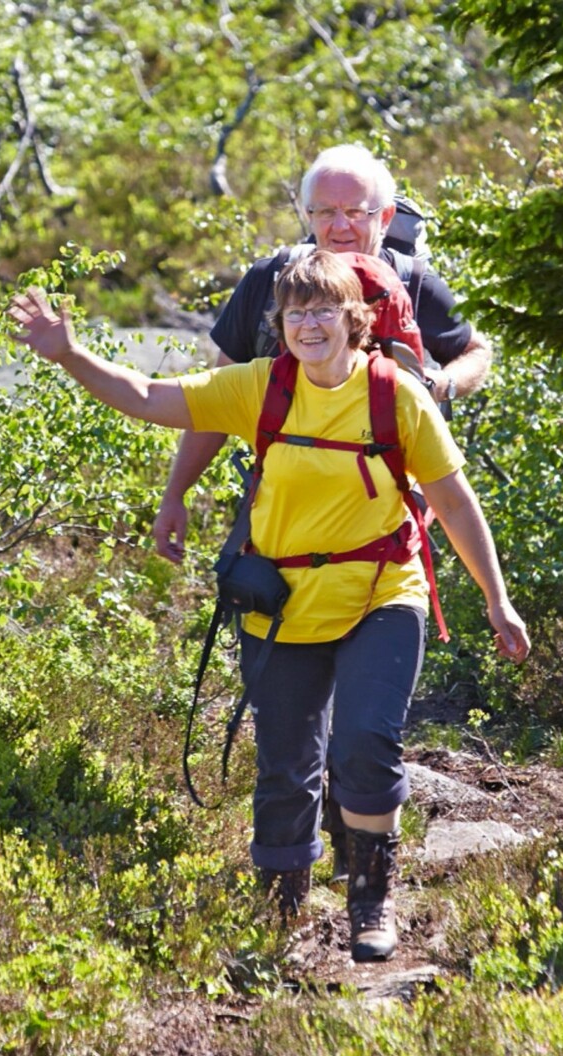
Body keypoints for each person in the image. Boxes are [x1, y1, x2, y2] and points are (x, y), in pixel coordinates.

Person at [8, 250, 529, 963]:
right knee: (286, 765)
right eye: (295, 313)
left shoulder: (395, 395)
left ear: (355, 321)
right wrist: (70, 355)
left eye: (322, 311)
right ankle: (279, 912)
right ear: (280, 324)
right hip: (282, 604)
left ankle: (372, 899)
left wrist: (498, 602)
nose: (308, 325)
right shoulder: (259, 386)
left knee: (366, 743)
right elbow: (145, 395)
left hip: (384, 591)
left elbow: (454, 502)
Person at [153, 144, 494, 881]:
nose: (341, 225)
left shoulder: (410, 281)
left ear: (386, 215)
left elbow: (476, 350)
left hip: (383, 530)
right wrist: (176, 490)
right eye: (326, 212)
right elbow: (213, 402)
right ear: (305, 215)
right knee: (298, 714)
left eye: (357, 211)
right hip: (280, 525)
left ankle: (357, 854)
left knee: (360, 710)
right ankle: (300, 868)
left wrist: (441, 388)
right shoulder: (271, 286)